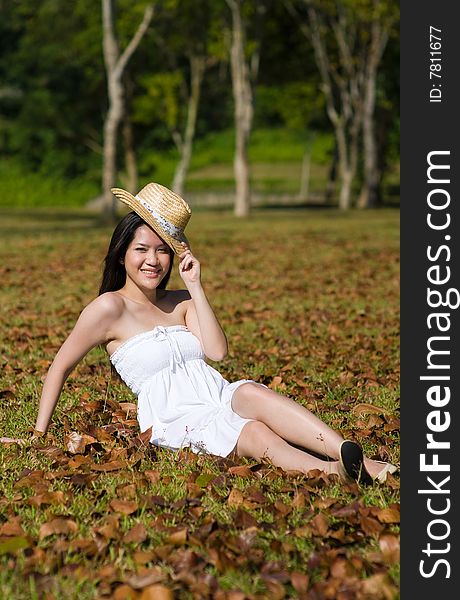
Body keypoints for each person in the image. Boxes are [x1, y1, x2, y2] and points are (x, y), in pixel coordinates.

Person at [33, 182, 397, 485]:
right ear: (121, 254)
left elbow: (217, 353)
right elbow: (59, 367)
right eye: (141, 249)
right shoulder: (108, 309)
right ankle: (334, 472)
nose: (152, 261)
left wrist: (195, 286)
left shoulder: (181, 301)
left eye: (162, 252)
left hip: (215, 392)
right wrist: (38, 435)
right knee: (252, 431)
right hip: (174, 414)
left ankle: (348, 454)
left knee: (251, 391)